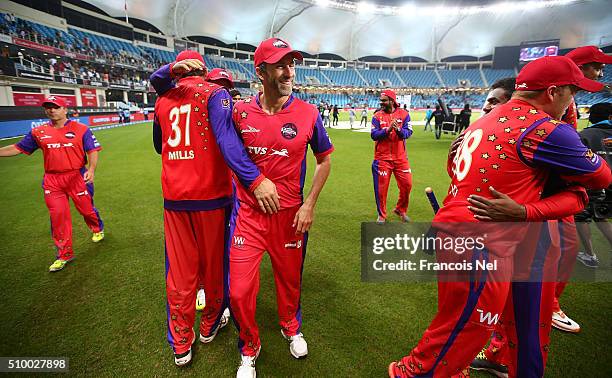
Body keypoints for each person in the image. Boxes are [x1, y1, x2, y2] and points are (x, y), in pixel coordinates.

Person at [388, 56, 611, 378]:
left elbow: (458, 175)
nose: (572, 101)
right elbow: (602, 177)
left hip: (471, 233)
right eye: (571, 92)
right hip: (483, 240)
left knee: (495, 325)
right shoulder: (546, 128)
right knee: (467, 329)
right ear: (552, 92)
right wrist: (564, 199)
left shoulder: (482, 123)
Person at [149, 50, 280, 367]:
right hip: (212, 197)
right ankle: (208, 326)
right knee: (215, 266)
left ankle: (181, 342)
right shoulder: (215, 93)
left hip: (175, 199)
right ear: (203, 70)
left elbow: (158, 145)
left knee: (179, 274)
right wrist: (255, 178)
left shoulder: (162, 99)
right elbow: (226, 140)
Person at [230, 37, 333, 378]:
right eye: (279, 64)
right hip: (248, 218)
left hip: (290, 218)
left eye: (292, 63)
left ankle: (291, 325)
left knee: (289, 283)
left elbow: (324, 161)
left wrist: (309, 205)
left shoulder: (308, 113)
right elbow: (231, 156)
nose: (289, 71)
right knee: (240, 290)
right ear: (260, 71)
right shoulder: (240, 112)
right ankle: (249, 345)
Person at [545, 45, 612, 333]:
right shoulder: (560, 101)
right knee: (555, 250)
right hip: (547, 188)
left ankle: (547, 304)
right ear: (578, 67)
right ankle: (546, 306)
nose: (600, 71)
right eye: (596, 66)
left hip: (558, 186)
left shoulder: (568, 101)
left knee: (563, 249)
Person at [0, 96, 104, 272]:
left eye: (55, 107)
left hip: (77, 177)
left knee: (86, 210)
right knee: (58, 218)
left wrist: (91, 169)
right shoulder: (38, 132)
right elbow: (17, 148)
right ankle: (64, 254)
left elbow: (92, 150)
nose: (51, 110)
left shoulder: (81, 129)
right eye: (48, 107)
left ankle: (97, 228)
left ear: (65, 109)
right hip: (52, 180)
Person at [575, 102, 612, 267]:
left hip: (594, 186)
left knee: (582, 218)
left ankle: (590, 256)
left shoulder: (584, 135)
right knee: (602, 217)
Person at [371, 89, 413, 223]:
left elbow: (408, 133)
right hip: (382, 159)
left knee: (407, 185)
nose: (381, 102)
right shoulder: (377, 116)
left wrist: (398, 130)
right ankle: (382, 215)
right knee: (381, 190)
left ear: (392, 100)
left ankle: (401, 209)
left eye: (384, 100)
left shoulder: (404, 114)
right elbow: (374, 135)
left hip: (400, 158)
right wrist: (387, 130)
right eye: (381, 100)